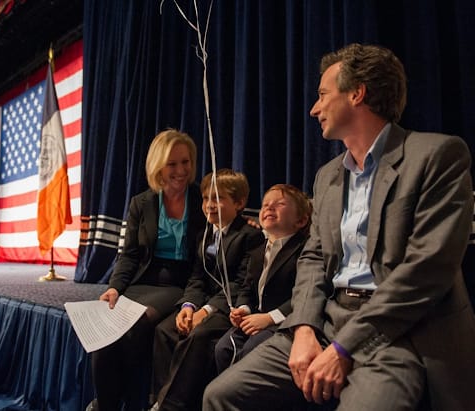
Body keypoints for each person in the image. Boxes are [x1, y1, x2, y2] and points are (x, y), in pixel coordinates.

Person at [203, 43, 475, 411]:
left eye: (322, 95)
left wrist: (345, 348)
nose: (314, 109)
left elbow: (428, 269)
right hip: (329, 320)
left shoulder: (437, 156)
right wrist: (303, 328)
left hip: (399, 331)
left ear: (357, 93)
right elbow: (313, 259)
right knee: (220, 395)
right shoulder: (327, 176)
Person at [87, 129, 206, 411]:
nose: (181, 170)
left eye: (185, 162)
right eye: (172, 164)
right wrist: (114, 288)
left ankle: (133, 401)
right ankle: (105, 404)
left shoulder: (202, 199)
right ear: (157, 167)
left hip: (178, 284)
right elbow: (129, 255)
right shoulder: (141, 203)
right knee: (104, 333)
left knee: (137, 324)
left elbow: (207, 256)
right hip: (143, 281)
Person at [150, 169, 265, 411]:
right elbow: (197, 277)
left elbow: (241, 284)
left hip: (229, 306)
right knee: (164, 330)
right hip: (202, 302)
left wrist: (207, 311)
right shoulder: (203, 235)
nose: (209, 205)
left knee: (198, 335)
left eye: (218, 198)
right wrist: (189, 306)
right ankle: (158, 399)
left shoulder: (250, 236)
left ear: (239, 203)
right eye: (205, 198)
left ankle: (169, 406)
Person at [214, 184, 312, 373]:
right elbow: (247, 288)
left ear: (301, 220)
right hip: (256, 318)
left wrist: (269, 318)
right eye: (265, 204)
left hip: (284, 322)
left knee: (253, 350)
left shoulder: (304, 251)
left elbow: (304, 294)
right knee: (223, 348)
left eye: (280, 204)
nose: (269, 207)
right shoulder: (257, 250)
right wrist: (243, 309)